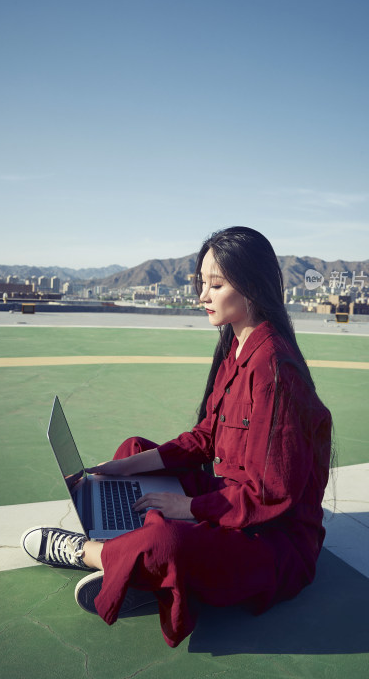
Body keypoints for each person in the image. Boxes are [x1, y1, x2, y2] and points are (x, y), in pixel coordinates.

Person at [21, 226, 333, 648]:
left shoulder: (276, 372)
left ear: (253, 286)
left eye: (216, 284)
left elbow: (272, 496)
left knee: (163, 541)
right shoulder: (237, 346)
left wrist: (187, 507)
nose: (203, 295)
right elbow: (206, 437)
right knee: (133, 451)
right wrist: (126, 466)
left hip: (271, 539)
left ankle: (90, 553)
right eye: (201, 282)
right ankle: (141, 560)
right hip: (229, 496)